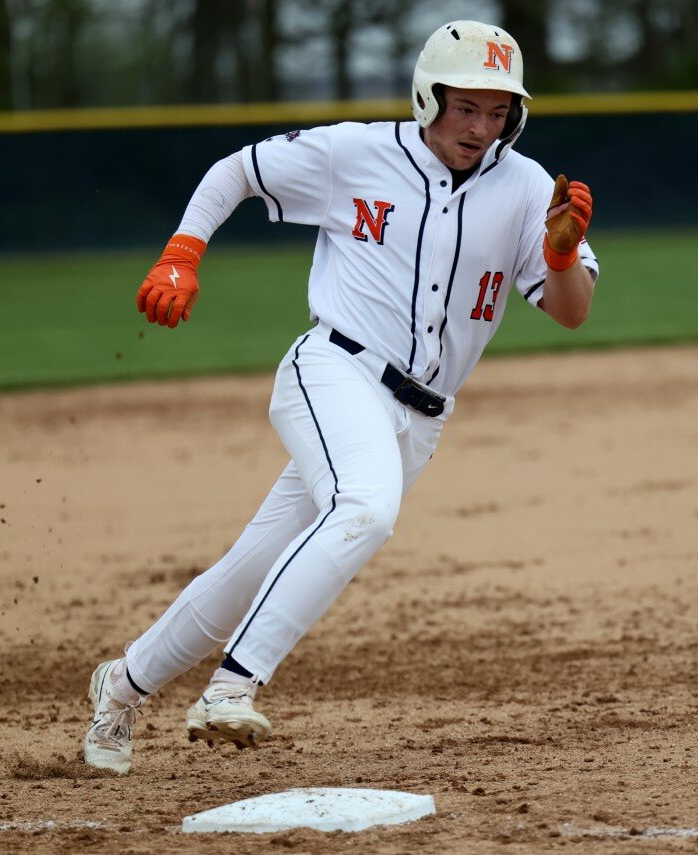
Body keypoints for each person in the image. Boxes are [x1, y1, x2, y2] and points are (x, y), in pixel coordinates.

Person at [82, 20, 598, 774]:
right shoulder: (356, 152)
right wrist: (182, 253)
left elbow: (572, 308)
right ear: (431, 96)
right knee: (365, 506)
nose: (480, 128)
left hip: (419, 419)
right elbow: (235, 171)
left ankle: (120, 689)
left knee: (245, 574)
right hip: (334, 371)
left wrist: (558, 255)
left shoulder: (525, 187)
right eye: (466, 108)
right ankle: (232, 686)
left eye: (498, 113)